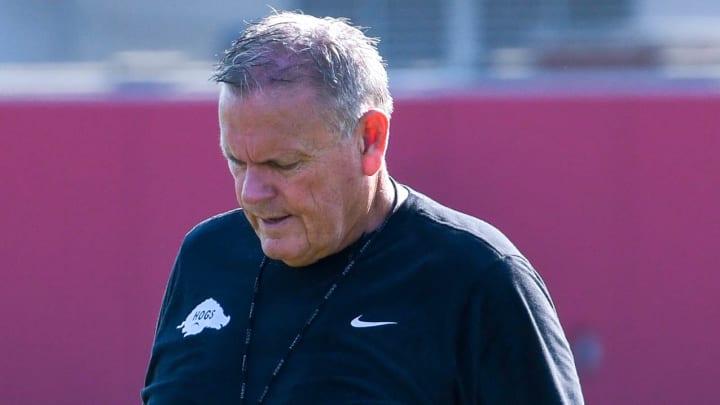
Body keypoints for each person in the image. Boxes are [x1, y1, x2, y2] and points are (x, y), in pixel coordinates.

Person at [142, 10, 584, 405]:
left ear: (370, 139)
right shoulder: (205, 256)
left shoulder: (478, 278)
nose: (252, 193)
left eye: (284, 164)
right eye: (236, 161)